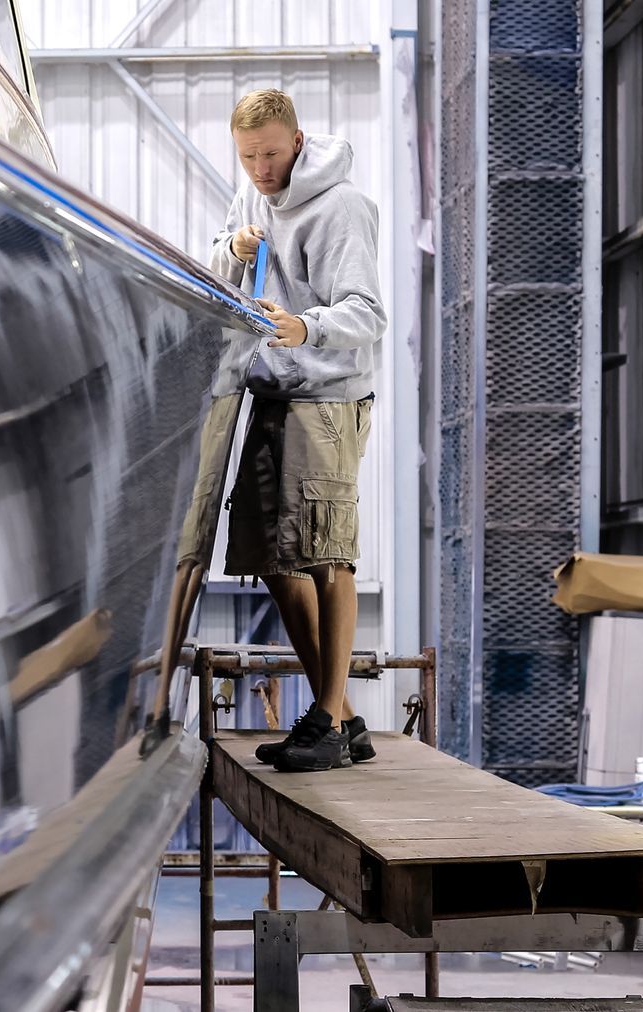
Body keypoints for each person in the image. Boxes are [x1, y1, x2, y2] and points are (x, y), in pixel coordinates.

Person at [207, 90, 386, 772]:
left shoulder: (341, 207)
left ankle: (330, 724)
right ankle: (342, 718)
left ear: (299, 142)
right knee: (275, 560)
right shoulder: (251, 197)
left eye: (272, 155)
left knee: (326, 555)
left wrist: (305, 326)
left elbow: (367, 312)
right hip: (271, 393)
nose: (261, 169)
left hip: (327, 400)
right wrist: (232, 245)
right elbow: (219, 267)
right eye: (248, 157)